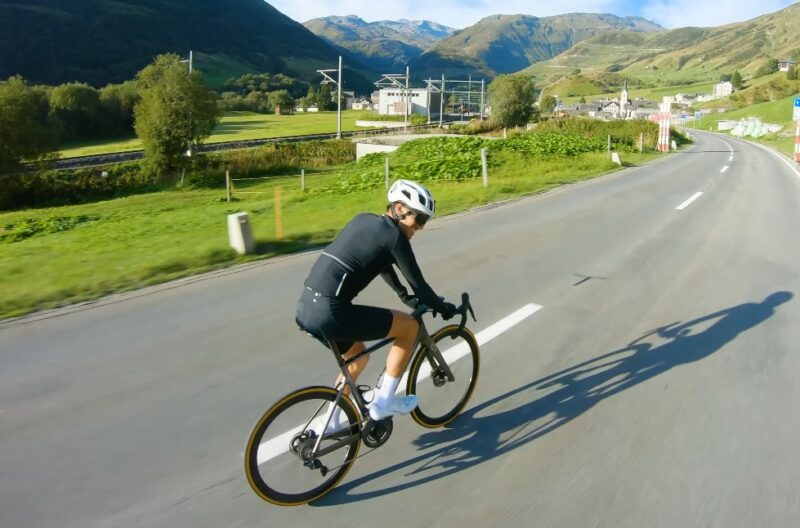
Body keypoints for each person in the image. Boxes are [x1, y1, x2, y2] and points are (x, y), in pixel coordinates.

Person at [295, 179, 458, 430]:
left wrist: (403, 296)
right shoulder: (395, 237)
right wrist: (443, 307)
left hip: (306, 306)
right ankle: (383, 403)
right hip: (330, 311)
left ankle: (330, 422)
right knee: (409, 327)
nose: (421, 227)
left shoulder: (364, 220)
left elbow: (381, 263)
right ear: (401, 208)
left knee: (357, 358)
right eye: (420, 219)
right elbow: (420, 286)